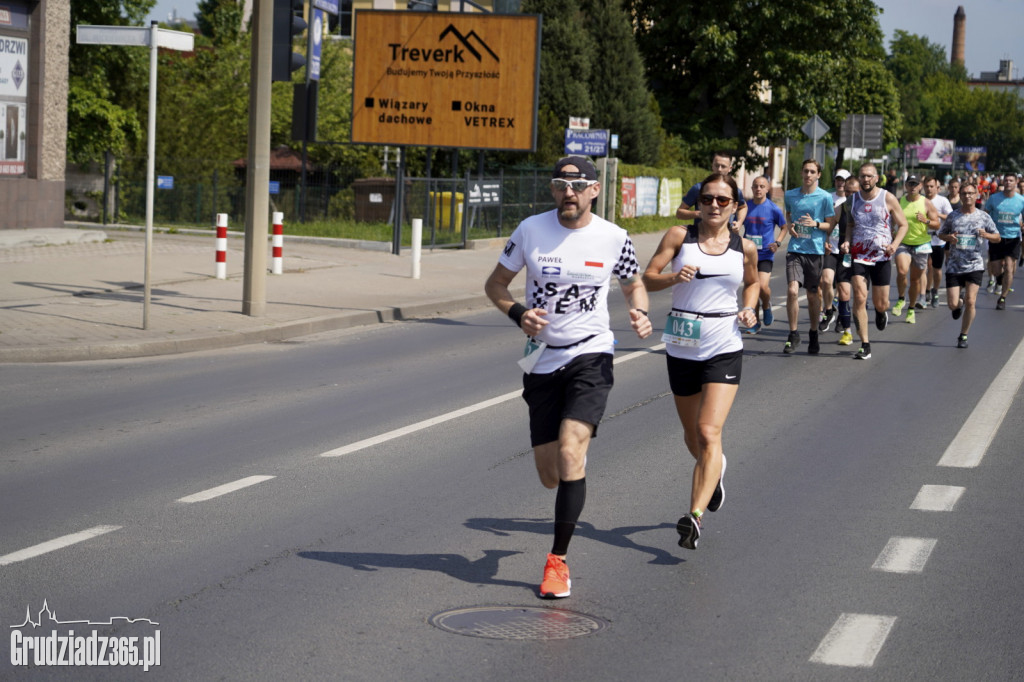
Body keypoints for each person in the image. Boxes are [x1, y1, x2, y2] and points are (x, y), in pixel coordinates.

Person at [484, 155, 653, 598]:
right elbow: (495, 285)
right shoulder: (531, 230)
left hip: (591, 354)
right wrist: (519, 314)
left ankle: (557, 561)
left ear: (595, 190)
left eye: (577, 186)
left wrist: (639, 310)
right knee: (549, 474)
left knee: (570, 450)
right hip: (541, 359)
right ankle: (570, 470)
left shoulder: (614, 237)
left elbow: (633, 283)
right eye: (560, 184)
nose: (568, 193)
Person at [642, 172, 759, 550]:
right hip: (681, 345)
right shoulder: (680, 237)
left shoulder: (746, 247)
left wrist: (750, 308)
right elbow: (648, 278)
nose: (713, 206)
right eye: (707, 199)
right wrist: (675, 277)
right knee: (693, 437)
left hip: (724, 343)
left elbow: (753, 282)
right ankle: (716, 469)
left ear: (735, 205)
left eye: (722, 200)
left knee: (709, 432)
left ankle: (694, 517)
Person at [840, 163, 909, 360]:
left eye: (870, 176)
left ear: (877, 178)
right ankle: (865, 344)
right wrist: (846, 240)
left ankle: (881, 313)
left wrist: (894, 245)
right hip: (859, 256)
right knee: (860, 297)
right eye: (863, 176)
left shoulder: (887, 198)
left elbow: (903, 225)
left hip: (882, 256)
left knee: (881, 302)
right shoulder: (852, 200)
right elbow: (851, 225)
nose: (866, 179)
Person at [781, 159, 835, 354]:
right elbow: (788, 215)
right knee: (793, 291)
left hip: (815, 251)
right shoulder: (790, 195)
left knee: (813, 296)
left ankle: (813, 332)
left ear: (818, 175)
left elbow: (831, 224)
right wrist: (790, 226)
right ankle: (793, 334)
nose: (808, 175)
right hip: (795, 249)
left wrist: (816, 225)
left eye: (812, 172)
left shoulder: (825, 197)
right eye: (806, 171)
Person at [938, 182, 1001, 347]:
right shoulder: (953, 215)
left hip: (975, 265)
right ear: (960, 195)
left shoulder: (983, 216)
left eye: (970, 193)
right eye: (964, 193)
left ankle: (963, 336)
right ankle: (958, 305)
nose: (967, 196)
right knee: (953, 304)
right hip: (954, 265)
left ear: (976, 195)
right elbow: (941, 234)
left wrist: (986, 235)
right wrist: (949, 237)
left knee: (971, 301)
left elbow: (997, 237)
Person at [741, 175, 787, 331]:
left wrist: (778, 242)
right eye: (755, 186)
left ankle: (766, 306)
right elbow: (736, 225)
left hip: (766, 254)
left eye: (762, 186)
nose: (758, 189)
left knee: (762, 286)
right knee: (751, 287)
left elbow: (784, 227)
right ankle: (755, 322)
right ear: (752, 188)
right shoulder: (745, 207)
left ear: (767, 189)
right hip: (748, 255)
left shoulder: (773, 208)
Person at [892, 176, 939, 324]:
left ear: (920, 186)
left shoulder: (926, 203)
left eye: (915, 184)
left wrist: (925, 221)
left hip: (921, 244)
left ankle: (911, 309)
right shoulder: (900, 201)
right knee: (901, 271)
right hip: (903, 242)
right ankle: (901, 299)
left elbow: (937, 224)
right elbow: (891, 218)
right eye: (910, 184)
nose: (913, 187)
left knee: (915, 279)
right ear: (905, 185)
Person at [676, 150, 748, 230]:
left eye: (723, 166)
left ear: (730, 168)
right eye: (717, 165)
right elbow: (679, 213)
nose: (719, 169)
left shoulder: (735, 191)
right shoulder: (699, 188)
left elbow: (743, 207)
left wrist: (739, 222)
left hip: (725, 238)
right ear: (712, 166)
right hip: (701, 237)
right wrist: (698, 214)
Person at [984, 172, 1024, 310]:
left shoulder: (1021, 200)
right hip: (996, 237)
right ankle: (999, 280)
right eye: (1006, 180)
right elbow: (985, 214)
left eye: (1011, 180)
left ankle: (1003, 298)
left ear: (1016, 182)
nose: (1008, 183)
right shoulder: (994, 198)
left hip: (1013, 238)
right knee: (995, 269)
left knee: (1009, 267)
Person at [819, 169, 851, 333]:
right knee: (826, 280)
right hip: (831, 246)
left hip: (846, 250)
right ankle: (829, 310)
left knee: (842, 286)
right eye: (838, 179)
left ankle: (841, 317)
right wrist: (825, 241)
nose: (840, 183)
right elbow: (825, 222)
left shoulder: (852, 200)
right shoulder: (828, 198)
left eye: (843, 180)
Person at [832, 175, 860, 345]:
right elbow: (829, 225)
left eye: (854, 192)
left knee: (860, 296)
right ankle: (847, 331)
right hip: (845, 253)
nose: (850, 196)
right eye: (848, 192)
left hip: (864, 256)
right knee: (843, 292)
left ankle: (877, 312)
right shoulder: (841, 208)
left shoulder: (868, 208)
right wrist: (825, 242)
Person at [923, 175, 954, 308]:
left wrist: (935, 214)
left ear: (937, 188)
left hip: (939, 240)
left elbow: (951, 216)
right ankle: (925, 291)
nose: (929, 189)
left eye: (931, 186)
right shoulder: (920, 200)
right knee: (926, 266)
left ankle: (935, 290)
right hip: (923, 239)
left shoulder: (942, 201)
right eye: (927, 186)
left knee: (936, 269)